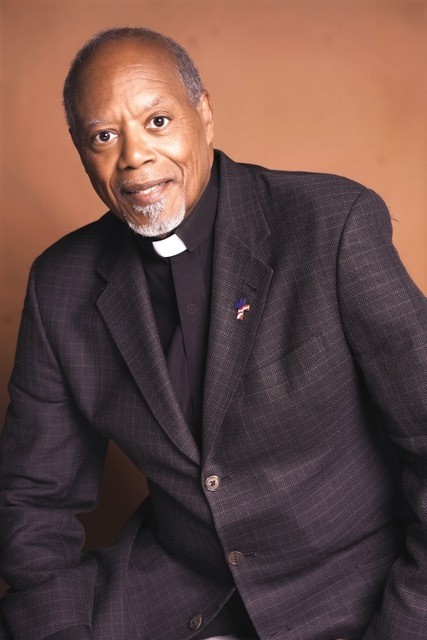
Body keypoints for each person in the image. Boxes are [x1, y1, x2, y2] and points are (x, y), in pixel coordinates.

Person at [0, 26, 426, 640]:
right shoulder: (60, 285)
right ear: (81, 150)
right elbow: (33, 500)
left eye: (158, 121)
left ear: (203, 112)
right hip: (176, 589)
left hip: (354, 590)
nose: (134, 156)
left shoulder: (329, 224)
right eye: (104, 136)